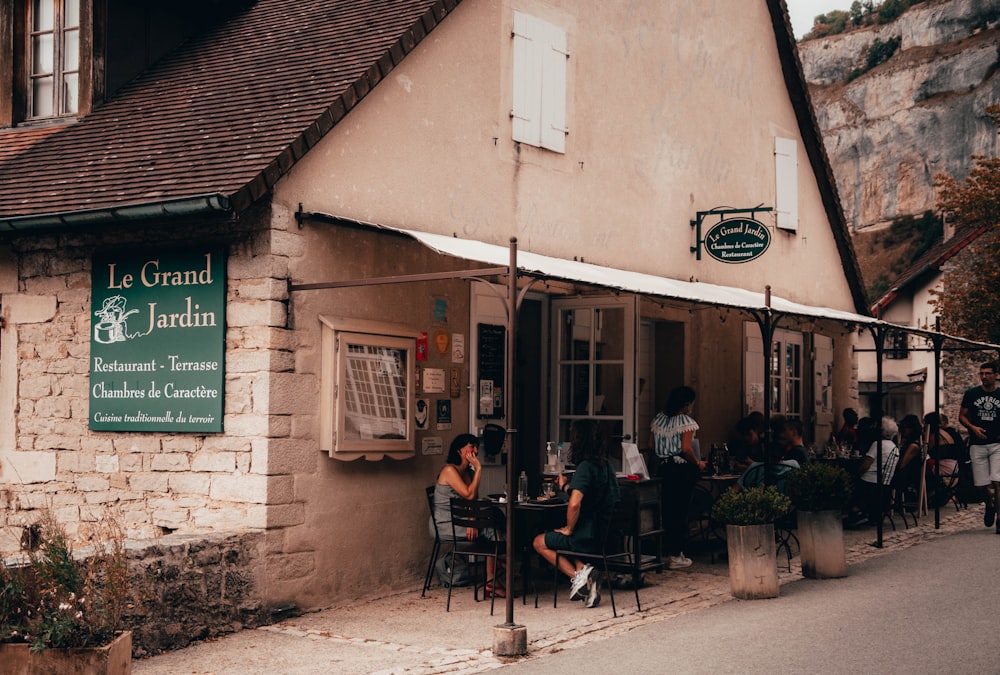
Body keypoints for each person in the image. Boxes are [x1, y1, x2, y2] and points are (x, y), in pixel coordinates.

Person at [533, 419, 620, 609]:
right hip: (604, 534)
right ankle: (587, 579)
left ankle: (581, 578)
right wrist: (565, 485)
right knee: (573, 549)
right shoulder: (607, 466)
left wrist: (569, 528)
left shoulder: (585, 467)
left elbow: (574, 504)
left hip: (586, 537)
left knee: (539, 541)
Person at [431, 433, 504, 597]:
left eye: (476, 447)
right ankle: (496, 575)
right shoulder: (449, 470)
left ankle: (499, 568)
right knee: (490, 529)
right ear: (459, 451)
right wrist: (479, 468)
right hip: (447, 523)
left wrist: (472, 520)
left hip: (462, 519)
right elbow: (469, 495)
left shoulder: (468, 472)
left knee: (495, 517)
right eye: (471, 447)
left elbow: (473, 501)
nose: (476, 451)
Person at [649, 386, 707, 570]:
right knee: (681, 511)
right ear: (687, 404)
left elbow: (651, 445)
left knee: (667, 510)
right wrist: (698, 463)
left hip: (663, 468)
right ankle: (677, 554)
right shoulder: (686, 421)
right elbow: (686, 448)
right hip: (681, 469)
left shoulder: (659, 419)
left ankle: (667, 550)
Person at [959, 360, 1000, 534]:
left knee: (998, 482)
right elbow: (962, 416)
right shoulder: (971, 394)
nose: (984, 377)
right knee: (982, 485)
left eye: (988, 373)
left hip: (997, 443)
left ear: (996, 375)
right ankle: (990, 506)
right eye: (982, 373)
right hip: (977, 444)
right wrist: (973, 428)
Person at [851, 417, 900, 526]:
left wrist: (857, 473)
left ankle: (856, 512)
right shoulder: (894, 448)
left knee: (851, 481)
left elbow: (866, 465)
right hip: (885, 484)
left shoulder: (877, 444)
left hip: (870, 483)